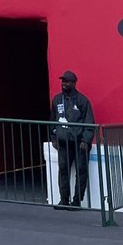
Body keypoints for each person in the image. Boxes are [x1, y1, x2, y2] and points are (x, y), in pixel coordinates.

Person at [50, 69, 95, 208]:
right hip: (63, 143)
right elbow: (52, 120)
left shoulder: (83, 100)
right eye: (63, 81)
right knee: (63, 170)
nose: (64, 84)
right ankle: (64, 200)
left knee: (81, 171)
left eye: (67, 81)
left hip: (79, 143)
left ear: (74, 83)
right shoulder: (57, 99)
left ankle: (77, 201)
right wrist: (53, 138)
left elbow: (89, 123)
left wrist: (85, 141)